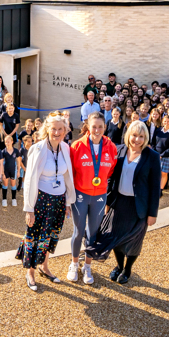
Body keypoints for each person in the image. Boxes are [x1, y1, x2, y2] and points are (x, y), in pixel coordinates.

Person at [85, 120, 161, 285]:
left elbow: (155, 188)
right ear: (129, 135)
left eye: (141, 136)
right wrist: (106, 202)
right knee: (116, 238)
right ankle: (119, 266)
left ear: (145, 137)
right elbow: (111, 177)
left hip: (138, 207)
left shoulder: (152, 157)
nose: (137, 140)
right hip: (118, 203)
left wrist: (152, 214)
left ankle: (127, 269)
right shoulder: (119, 150)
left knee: (133, 241)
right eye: (134, 135)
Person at [19, 113, 75, 292]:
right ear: (47, 129)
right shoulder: (38, 149)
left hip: (58, 200)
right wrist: (29, 209)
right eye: (54, 129)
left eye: (60, 129)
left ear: (65, 130)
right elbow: (30, 179)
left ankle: (45, 266)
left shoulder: (66, 148)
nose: (57, 132)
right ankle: (31, 272)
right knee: (35, 236)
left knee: (50, 235)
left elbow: (67, 176)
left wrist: (68, 202)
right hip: (41, 200)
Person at [68, 112, 118, 285]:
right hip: (80, 195)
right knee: (78, 232)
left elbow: (110, 170)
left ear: (105, 127)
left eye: (100, 127)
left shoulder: (111, 147)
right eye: (94, 126)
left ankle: (87, 267)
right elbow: (71, 173)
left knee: (93, 233)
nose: (97, 130)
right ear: (88, 126)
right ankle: (74, 263)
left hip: (99, 196)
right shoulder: (77, 146)